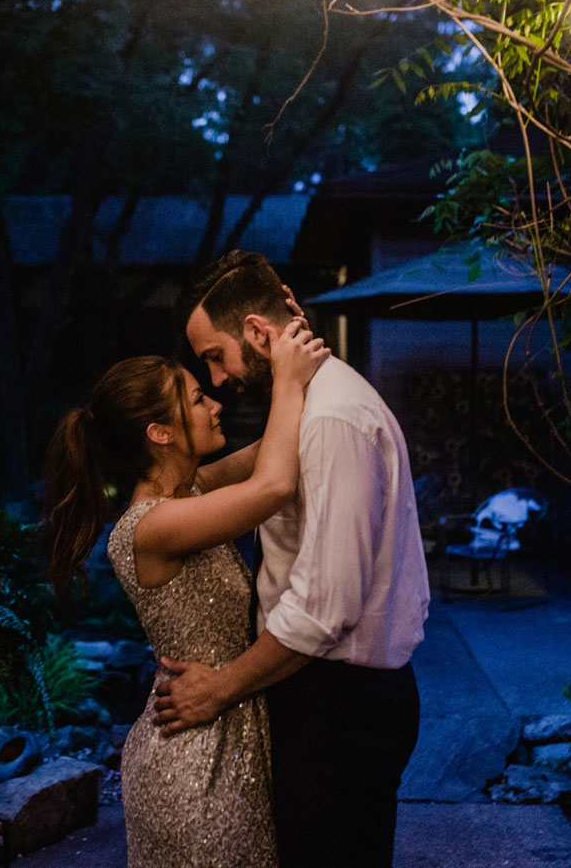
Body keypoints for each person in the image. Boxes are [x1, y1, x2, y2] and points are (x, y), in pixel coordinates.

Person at [154, 250, 431, 868]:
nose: (218, 379)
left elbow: (324, 607)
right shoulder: (308, 400)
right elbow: (268, 460)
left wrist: (218, 690)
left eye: (214, 358)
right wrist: (180, 490)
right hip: (322, 695)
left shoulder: (333, 417)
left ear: (256, 331)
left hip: (340, 703)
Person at [43, 323, 329, 868]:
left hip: (227, 734)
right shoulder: (151, 527)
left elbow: (275, 449)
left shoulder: (192, 490)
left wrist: (291, 361)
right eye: (198, 398)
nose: (215, 403)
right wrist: (290, 380)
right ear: (160, 432)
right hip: (194, 763)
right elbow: (273, 486)